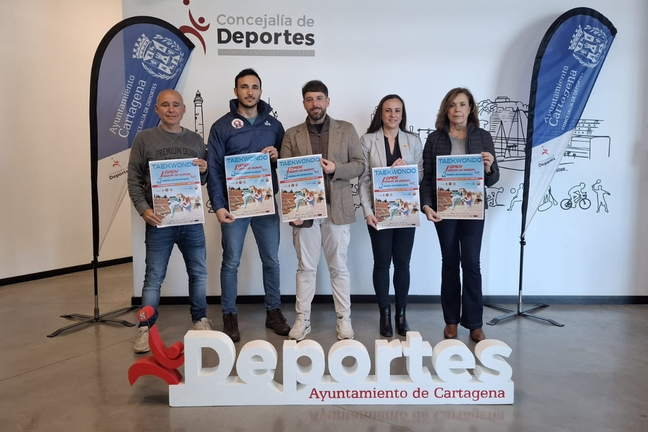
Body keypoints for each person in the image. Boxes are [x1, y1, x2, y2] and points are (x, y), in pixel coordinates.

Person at [207, 68, 290, 342]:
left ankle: (274, 312)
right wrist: (218, 205)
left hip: (266, 206)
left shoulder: (274, 126)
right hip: (235, 206)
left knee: (271, 260)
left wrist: (277, 157)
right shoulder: (221, 126)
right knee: (231, 262)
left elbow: (286, 165)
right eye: (244, 87)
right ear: (236, 91)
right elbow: (214, 169)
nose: (250, 92)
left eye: (254, 87)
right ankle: (229, 315)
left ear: (260, 91)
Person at [127, 89, 212, 354]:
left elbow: (201, 181)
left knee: (198, 273)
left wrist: (205, 170)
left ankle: (200, 319)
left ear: (184, 109)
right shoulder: (144, 139)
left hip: (191, 221)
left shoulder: (196, 140)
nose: (171, 109)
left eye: (176, 105)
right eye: (165, 105)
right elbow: (133, 178)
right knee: (153, 278)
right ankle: (145, 328)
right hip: (159, 222)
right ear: (157, 109)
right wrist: (143, 209)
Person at [280, 80, 365, 341]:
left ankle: (344, 318)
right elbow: (285, 174)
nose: (314, 103)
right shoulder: (291, 134)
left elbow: (360, 165)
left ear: (327, 101)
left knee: (338, 267)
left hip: (336, 209)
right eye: (309, 99)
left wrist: (336, 169)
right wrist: (292, 211)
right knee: (305, 268)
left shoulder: (346, 129)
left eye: (319, 98)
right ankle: (302, 319)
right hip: (305, 212)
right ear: (303, 103)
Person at [420, 87, 499, 343]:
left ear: (470, 108)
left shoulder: (483, 137)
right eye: (453, 105)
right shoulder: (435, 139)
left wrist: (489, 168)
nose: (457, 109)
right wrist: (426, 205)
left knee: (472, 264)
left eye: (462, 104)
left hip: (473, 210)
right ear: (446, 109)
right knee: (450, 263)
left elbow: (492, 179)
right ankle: (451, 321)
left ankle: (475, 323)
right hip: (444, 210)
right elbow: (427, 178)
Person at [358, 94, 423, 337]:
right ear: (381, 113)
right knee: (382, 264)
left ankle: (401, 315)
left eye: (397, 110)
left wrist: (408, 169)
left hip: (406, 211)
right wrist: (367, 212)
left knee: (403, 264)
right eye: (388, 110)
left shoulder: (413, 141)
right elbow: (363, 179)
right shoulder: (367, 140)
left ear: (402, 115)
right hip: (379, 213)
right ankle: (384, 314)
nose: (393, 115)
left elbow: (421, 175)